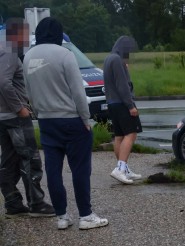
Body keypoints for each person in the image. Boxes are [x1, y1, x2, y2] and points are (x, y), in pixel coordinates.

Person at [22, 17, 108, 230]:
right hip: (71, 120)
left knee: (53, 170)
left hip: (46, 121)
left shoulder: (28, 56)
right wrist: (86, 118)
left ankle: (62, 216)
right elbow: (78, 91)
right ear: (59, 35)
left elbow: (28, 92)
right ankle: (85, 216)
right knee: (80, 169)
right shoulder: (65, 55)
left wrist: (39, 111)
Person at [0, 18, 55, 218]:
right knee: (29, 159)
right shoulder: (10, 53)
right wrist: (20, 108)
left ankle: (13, 203)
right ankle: (37, 203)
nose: (26, 39)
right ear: (16, 34)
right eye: (25, 34)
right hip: (15, 117)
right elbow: (4, 83)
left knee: (8, 160)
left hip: (2, 117)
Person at [103, 35, 142, 185]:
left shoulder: (109, 59)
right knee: (131, 134)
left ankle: (124, 168)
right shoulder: (117, 60)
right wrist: (131, 105)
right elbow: (122, 85)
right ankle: (120, 168)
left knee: (119, 136)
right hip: (122, 103)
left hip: (112, 103)